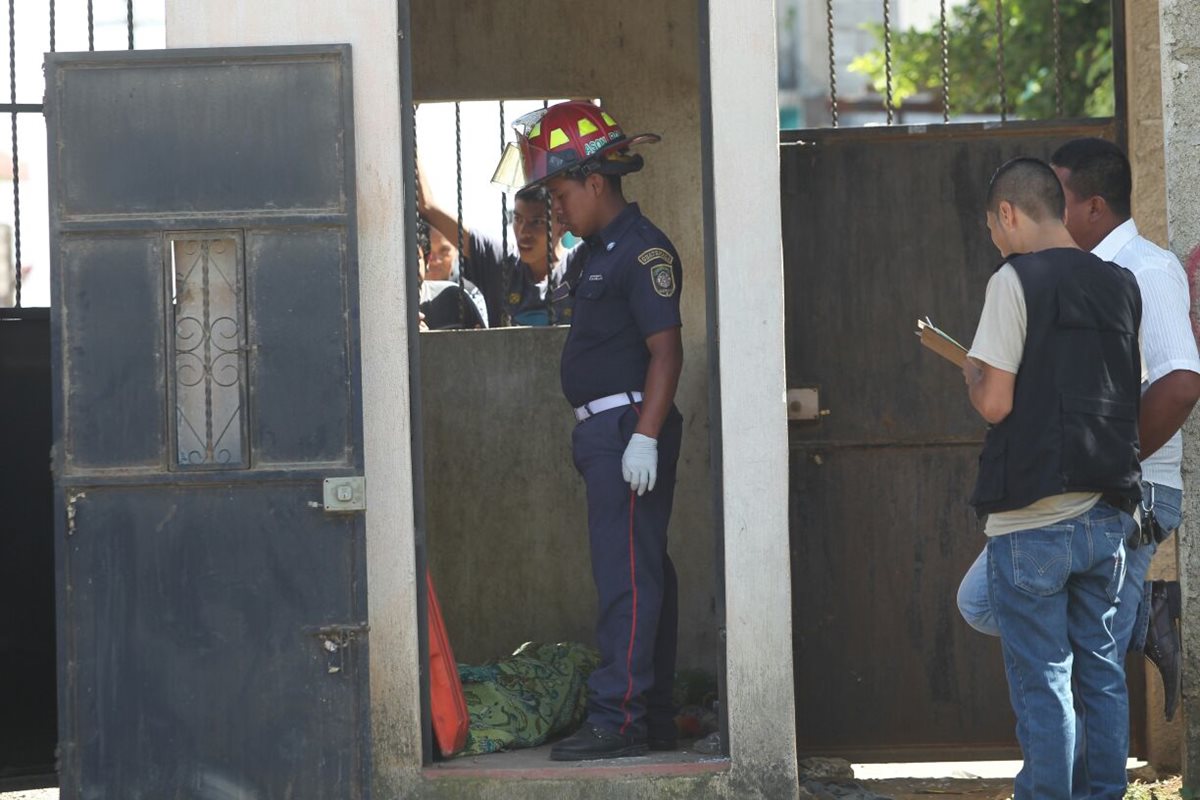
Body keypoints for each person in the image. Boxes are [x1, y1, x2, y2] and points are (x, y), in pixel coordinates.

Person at [956, 139, 1200, 720]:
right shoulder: (1067, 277)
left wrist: (1112, 456)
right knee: (989, 605)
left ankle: (1138, 619)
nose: (1045, 210)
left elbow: (1182, 382)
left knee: (1092, 662)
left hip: (1132, 489)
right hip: (1079, 487)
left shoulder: (1144, 269)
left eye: (1057, 196)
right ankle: (1136, 616)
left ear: (1093, 207)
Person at [492, 100, 683, 761]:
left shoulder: (641, 250)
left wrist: (646, 435)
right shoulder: (598, 253)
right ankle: (652, 716)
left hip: (630, 428)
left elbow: (667, 350)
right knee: (641, 570)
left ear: (596, 183)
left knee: (626, 576)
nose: (555, 208)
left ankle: (619, 719)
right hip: (610, 433)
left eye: (561, 191)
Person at [963, 157, 1142, 799]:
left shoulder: (1015, 280)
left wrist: (970, 370)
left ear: (1008, 214)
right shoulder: (1122, 284)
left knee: (1044, 682)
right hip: (1106, 513)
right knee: (1100, 674)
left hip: (1032, 521)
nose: (995, 240)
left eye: (993, 228)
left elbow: (995, 404)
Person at [417, 163, 583, 326]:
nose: (524, 232)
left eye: (537, 222)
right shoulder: (501, 264)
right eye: (518, 219)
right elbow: (427, 206)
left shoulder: (581, 263)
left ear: (562, 224)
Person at [414, 218, 486, 330]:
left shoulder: (457, 298)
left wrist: (428, 341)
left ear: (426, 260)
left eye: (415, 257)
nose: (436, 260)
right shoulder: (378, 308)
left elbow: (483, 345)